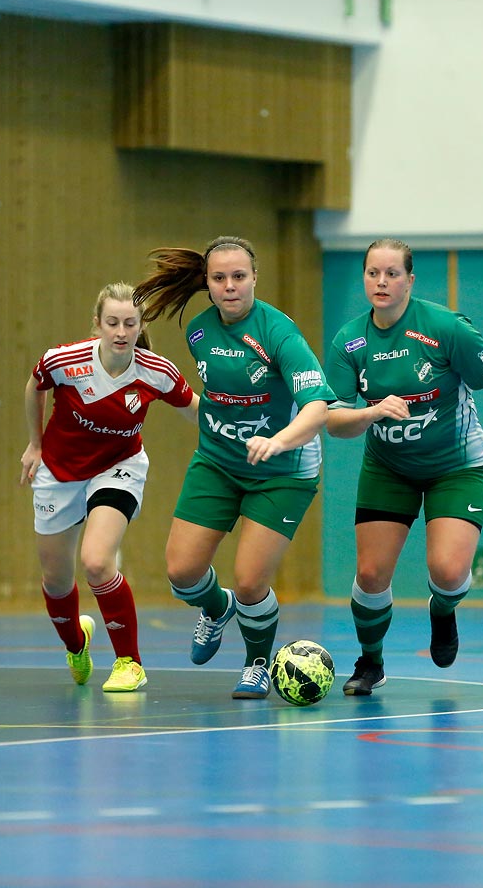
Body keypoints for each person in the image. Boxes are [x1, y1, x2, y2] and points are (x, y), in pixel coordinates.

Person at [324, 239, 483, 696]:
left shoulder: (444, 328)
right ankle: (371, 661)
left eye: (392, 273)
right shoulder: (350, 341)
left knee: (446, 570)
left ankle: (443, 610)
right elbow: (335, 423)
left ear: (410, 280)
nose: (381, 282)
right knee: (370, 575)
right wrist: (370, 413)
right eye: (372, 273)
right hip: (388, 467)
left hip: (455, 465)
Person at [134, 236, 334, 698]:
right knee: (182, 572)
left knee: (249, 581)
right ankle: (214, 606)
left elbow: (317, 409)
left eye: (238, 277)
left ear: (254, 279)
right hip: (218, 461)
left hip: (283, 470)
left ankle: (257, 663)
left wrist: (277, 441)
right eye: (219, 278)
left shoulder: (279, 335)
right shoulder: (199, 331)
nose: (229, 286)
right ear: (207, 283)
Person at [20, 282, 198, 693]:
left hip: (118, 468)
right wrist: (34, 443)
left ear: (140, 326)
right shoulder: (63, 361)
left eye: (130, 323)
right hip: (60, 471)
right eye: (113, 322)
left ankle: (129, 662)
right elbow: (35, 386)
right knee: (56, 581)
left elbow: (195, 410)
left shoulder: (157, 371)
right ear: (97, 325)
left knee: (98, 561)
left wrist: (241, 431)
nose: (121, 331)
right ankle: (75, 643)